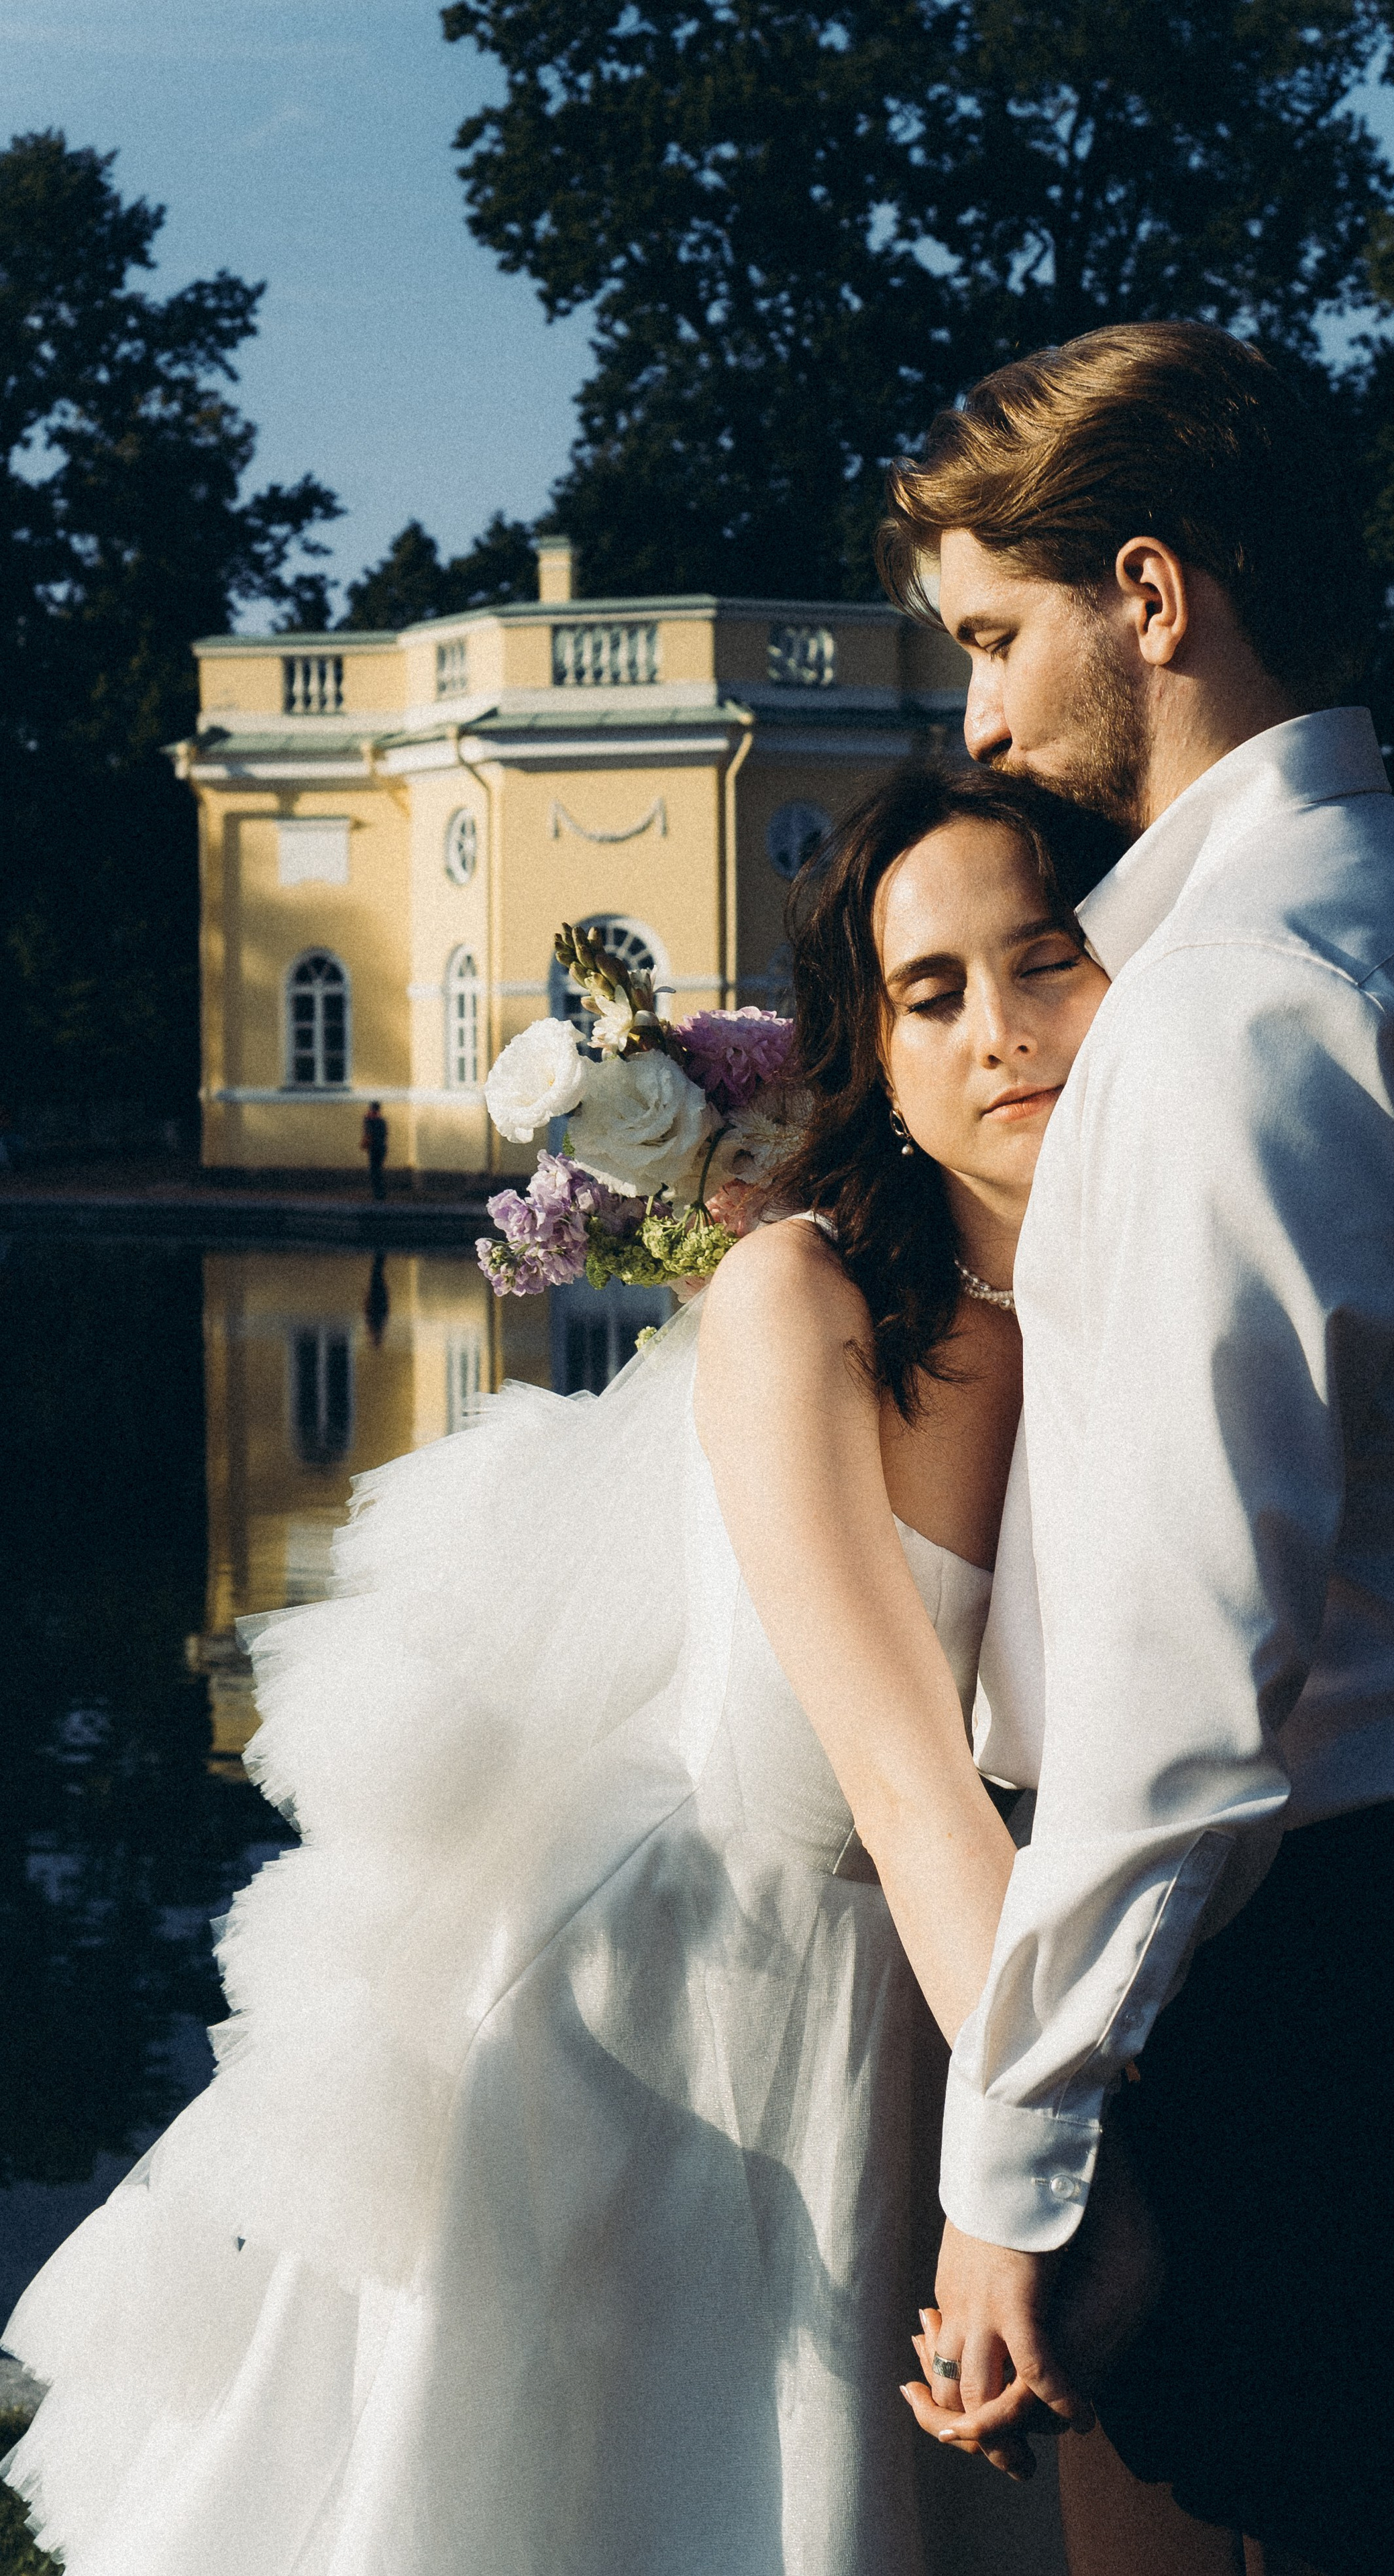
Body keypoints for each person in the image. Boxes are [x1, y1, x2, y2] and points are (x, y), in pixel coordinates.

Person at [1, 765, 1138, 2576]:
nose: (1000, 1033)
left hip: (942, 2001)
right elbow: (910, 1789)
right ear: (880, 1058)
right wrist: (1074, 2157)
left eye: (1049, 962)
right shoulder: (805, 1305)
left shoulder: (1134, 1304)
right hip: (680, 2028)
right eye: (932, 994)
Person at [883, 322, 1394, 2575]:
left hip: (1327, 1986)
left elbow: (1186, 1682)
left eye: (996, 640)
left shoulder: (1238, 1001)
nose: (981, 724)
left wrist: (1012, 2170)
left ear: (1149, 595)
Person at [361, 1099, 388, 1201]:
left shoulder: (369, 1120)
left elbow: (368, 1133)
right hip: (382, 1148)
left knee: (374, 1171)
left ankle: (378, 1194)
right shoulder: (382, 1120)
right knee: (378, 1170)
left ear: (372, 1108)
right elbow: (384, 1134)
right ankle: (380, 1193)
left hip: (374, 1148)